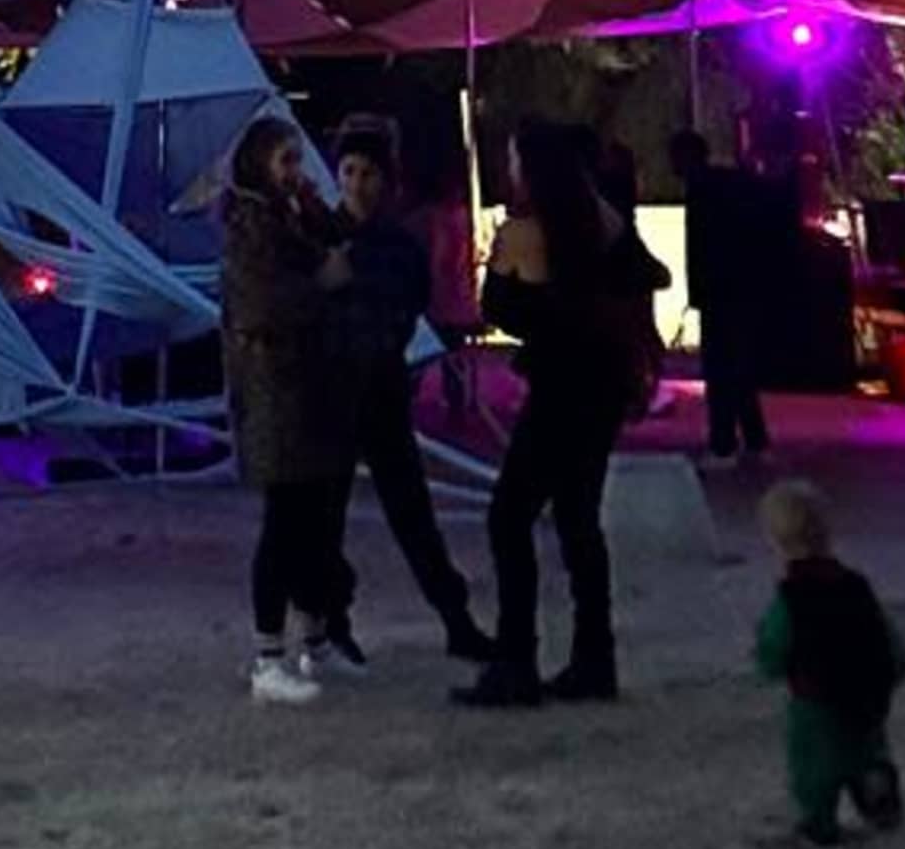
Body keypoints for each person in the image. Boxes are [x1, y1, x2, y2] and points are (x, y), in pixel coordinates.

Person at [459, 124, 639, 713]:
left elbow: (502, 309)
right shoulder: (601, 219)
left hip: (561, 386)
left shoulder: (523, 233)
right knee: (578, 517)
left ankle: (516, 660)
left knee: (510, 518)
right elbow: (642, 279)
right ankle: (594, 655)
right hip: (603, 381)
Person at [326, 117, 492, 670]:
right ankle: (332, 623)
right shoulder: (323, 236)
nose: (356, 184)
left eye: (367, 173)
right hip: (337, 396)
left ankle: (455, 619)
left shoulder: (396, 244)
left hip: (380, 392)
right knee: (325, 518)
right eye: (349, 171)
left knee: (412, 513)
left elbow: (407, 303)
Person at [220, 116, 356, 709]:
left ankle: (315, 641)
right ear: (258, 164)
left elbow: (331, 240)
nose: (294, 173)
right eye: (285, 162)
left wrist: (325, 205)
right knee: (286, 522)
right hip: (276, 392)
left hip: (306, 386)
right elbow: (261, 303)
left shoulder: (287, 215)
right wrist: (322, 285)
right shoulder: (252, 226)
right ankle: (268, 655)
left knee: (314, 521)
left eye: (298, 160)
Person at [754, 481, 905, 844]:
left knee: (814, 764)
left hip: (815, 695)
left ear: (777, 542)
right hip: (865, 687)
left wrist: (768, 663)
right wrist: (894, 667)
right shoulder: (855, 585)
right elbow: (884, 632)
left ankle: (818, 820)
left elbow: (777, 642)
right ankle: (875, 788)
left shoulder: (792, 596)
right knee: (866, 745)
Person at [675, 127, 772, 470]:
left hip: (719, 292)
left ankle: (723, 444)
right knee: (740, 368)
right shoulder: (727, 184)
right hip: (739, 288)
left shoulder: (702, 190)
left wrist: (699, 291)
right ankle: (755, 440)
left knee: (720, 371)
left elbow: (702, 248)